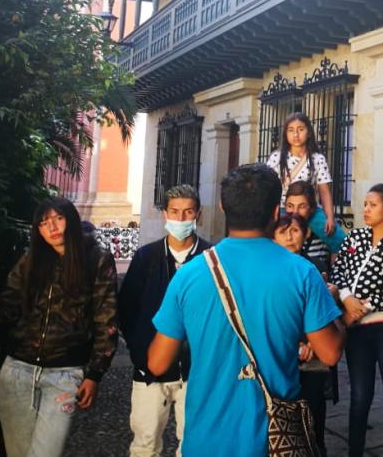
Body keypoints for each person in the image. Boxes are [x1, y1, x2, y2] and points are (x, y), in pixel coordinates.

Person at [147, 164, 343, 457]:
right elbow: (329, 352)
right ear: (276, 212)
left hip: (204, 441)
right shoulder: (303, 273)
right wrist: (341, 313)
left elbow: (158, 363)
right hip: (273, 441)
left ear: (224, 207)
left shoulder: (189, 274)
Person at [0, 197, 118, 457]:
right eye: (44, 223)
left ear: (72, 220)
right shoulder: (31, 260)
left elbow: (106, 317)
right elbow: (7, 306)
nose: (52, 228)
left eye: (58, 219)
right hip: (17, 370)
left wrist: (95, 373)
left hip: (64, 374)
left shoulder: (96, 259)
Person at [118, 184, 212, 457]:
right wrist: (140, 351)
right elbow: (128, 308)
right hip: (150, 372)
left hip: (195, 372)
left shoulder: (210, 258)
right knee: (145, 444)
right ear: (165, 214)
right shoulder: (146, 257)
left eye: (188, 212)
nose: (181, 219)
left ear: (198, 215)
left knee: (193, 445)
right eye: (175, 212)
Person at [331, 184, 383, 457]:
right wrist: (346, 298)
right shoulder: (354, 237)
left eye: (372, 205)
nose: (366, 209)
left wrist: (360, 308)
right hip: (358, 330)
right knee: (359, 396)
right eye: (365, 204)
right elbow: (340, 269)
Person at [268, 212, 332, 455]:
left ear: (305, 235)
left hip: (311, 355)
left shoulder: (315, 268)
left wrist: (312, 341)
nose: (289, 237)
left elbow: (323, 310)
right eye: (283, 231)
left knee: (313, 413)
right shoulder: (267, 269)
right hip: (279, 353)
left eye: (295, 230)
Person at [265, 111, 337, 235]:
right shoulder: (276, 158)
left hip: (310, 211)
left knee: (338, 239)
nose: (296, 134)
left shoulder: (318, 159)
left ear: (308, 132)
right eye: (291, 130)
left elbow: (324, 192)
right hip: (283, 210)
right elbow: (267, 188)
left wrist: (330, 218)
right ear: (285, 134)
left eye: (301, 129)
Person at [283, 180, 346, 274]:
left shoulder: (322, 233)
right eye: (290, 206)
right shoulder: (279, 234)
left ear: (312, 208)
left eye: (302, 206)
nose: (295, 212)